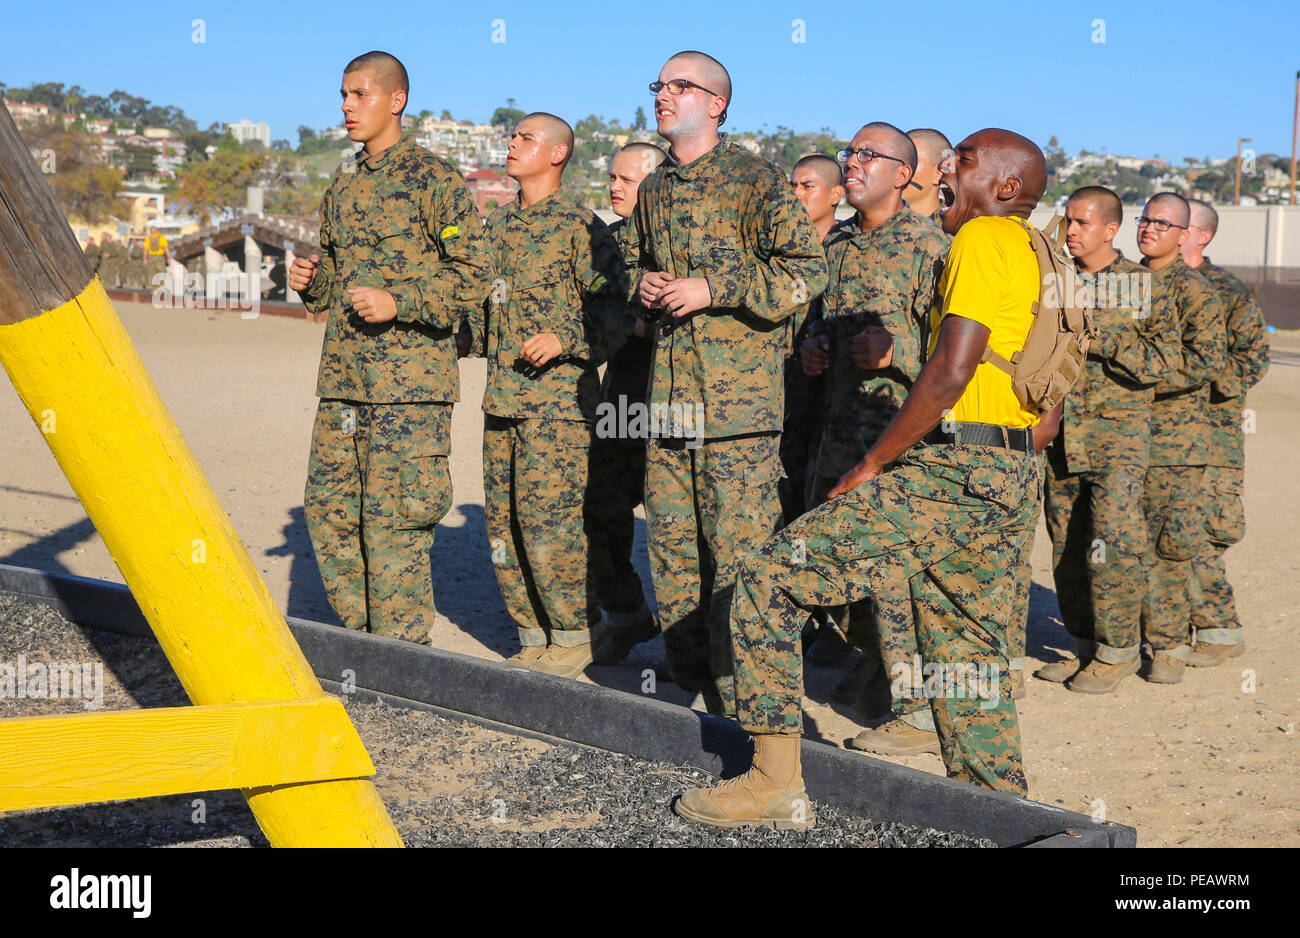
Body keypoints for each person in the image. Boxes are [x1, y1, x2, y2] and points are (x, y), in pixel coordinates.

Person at [675, 128, 1049, 829]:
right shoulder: (1040, 252)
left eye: (960, 162)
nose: (943, 171)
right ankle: (999, 820)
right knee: (966, 656)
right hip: (1006, 466)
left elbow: (951, 367)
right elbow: (1051, 393)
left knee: (767, 580)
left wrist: (876, 463)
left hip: (952, 465)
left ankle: (772, 785)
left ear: (1004, 186)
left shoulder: (979, 239)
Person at [623, 51, 828, 713]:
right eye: (660, 84)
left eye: (680, 86)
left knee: (739, 559)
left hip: (737, 409)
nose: (663, 94)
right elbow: (629, 266)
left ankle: (751, 696)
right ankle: (691, 682)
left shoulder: (755, 180)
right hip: (667, 404)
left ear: (716, 104)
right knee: (674, 549)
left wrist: (717, 287)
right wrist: (643, 284)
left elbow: (807, 271)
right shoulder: (653, 189)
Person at [290, 50, 493, 644]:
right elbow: (332, 284)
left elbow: (474, 275)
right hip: (344, 384)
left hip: (410, 390)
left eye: (360, 95)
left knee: (395, 524)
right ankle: (364, 640)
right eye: (343, 96)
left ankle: (403, 652)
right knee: (327, 512)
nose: (347, 107)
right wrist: (312, 283)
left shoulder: (436, 180)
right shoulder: (343, 183)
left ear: (396, 100)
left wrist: (401, 301)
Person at [795, 123, 950, 757]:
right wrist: (810, 349)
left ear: (904, 175)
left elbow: (969, 353)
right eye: (849, 154)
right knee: (844, 566)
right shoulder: (833, 246)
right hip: (834, 437)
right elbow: (807, 324)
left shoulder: (932, 249)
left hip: (902, 441)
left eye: (868, 155)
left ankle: (917, 712)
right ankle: (879, 673)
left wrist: (899, 351)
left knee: (897, 575)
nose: (852, 164)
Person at [471, 112, 630, 677]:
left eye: (525, 138)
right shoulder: (497, 226)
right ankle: (535, 631)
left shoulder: (581, 228)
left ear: (558, 153)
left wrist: (565, 339)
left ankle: (577, 633)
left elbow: (617, 311)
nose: (512, 145)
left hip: (558, 408)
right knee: (504, 523)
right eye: (511, 136)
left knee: (551, 523)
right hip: (502, 401)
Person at [1036, 186, 1180, 692]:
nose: (1071, 231)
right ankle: (1083, 644)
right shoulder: (1056, 280)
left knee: (1111, 546)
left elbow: (1166, 362)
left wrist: (1102, 335)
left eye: (1082, 223)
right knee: (1066, 548)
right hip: (1057, 438)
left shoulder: (1141, 285)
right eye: (1068, 221)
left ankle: (1118, 652)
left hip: (1117, 439)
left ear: (1110, 229)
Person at [1135, 192, 1226, 683]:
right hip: (1114, 439)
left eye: (1161, 222)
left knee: (1168, 547)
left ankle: (1168, 647)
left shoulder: (1195, 290)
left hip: (1174, 442)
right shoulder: (1120, 282)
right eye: (1144, 218)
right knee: (1112, 545)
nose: (1149, 228)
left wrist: (1138, 376)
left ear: (1185, 233)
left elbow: (1206, 360)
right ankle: (1113, 645)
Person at [584, 141, 667, 664]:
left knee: (678, 531)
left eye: (626, 179)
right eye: (611, 176)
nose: (614, 187)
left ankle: (696, 651)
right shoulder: (608, 243)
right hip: (623, 402)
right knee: (600, 511)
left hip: (681, 407)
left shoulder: (681, 242)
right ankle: (629, 613)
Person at [1179, 198, 1269, 665]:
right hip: (1156, 436)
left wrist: (1198, 375)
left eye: (1180, 225)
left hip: (1212, 439)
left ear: (1202, 236)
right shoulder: (1148, 283)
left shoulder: (1227, 292)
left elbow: (1253, 358)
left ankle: (1218, 630)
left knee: (1204, 532)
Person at [780, 153, 846, 528]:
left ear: (836, 193)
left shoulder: (845, 249)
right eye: (793, 186)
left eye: (807, 186)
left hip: (830, 406)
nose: (796, 194)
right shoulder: (781, 251)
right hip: (785, 401)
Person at [904, 128, 952, 222]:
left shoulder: (954, 230)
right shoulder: (874, 225)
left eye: (912, 162)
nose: (900, 171)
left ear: (940, 173)